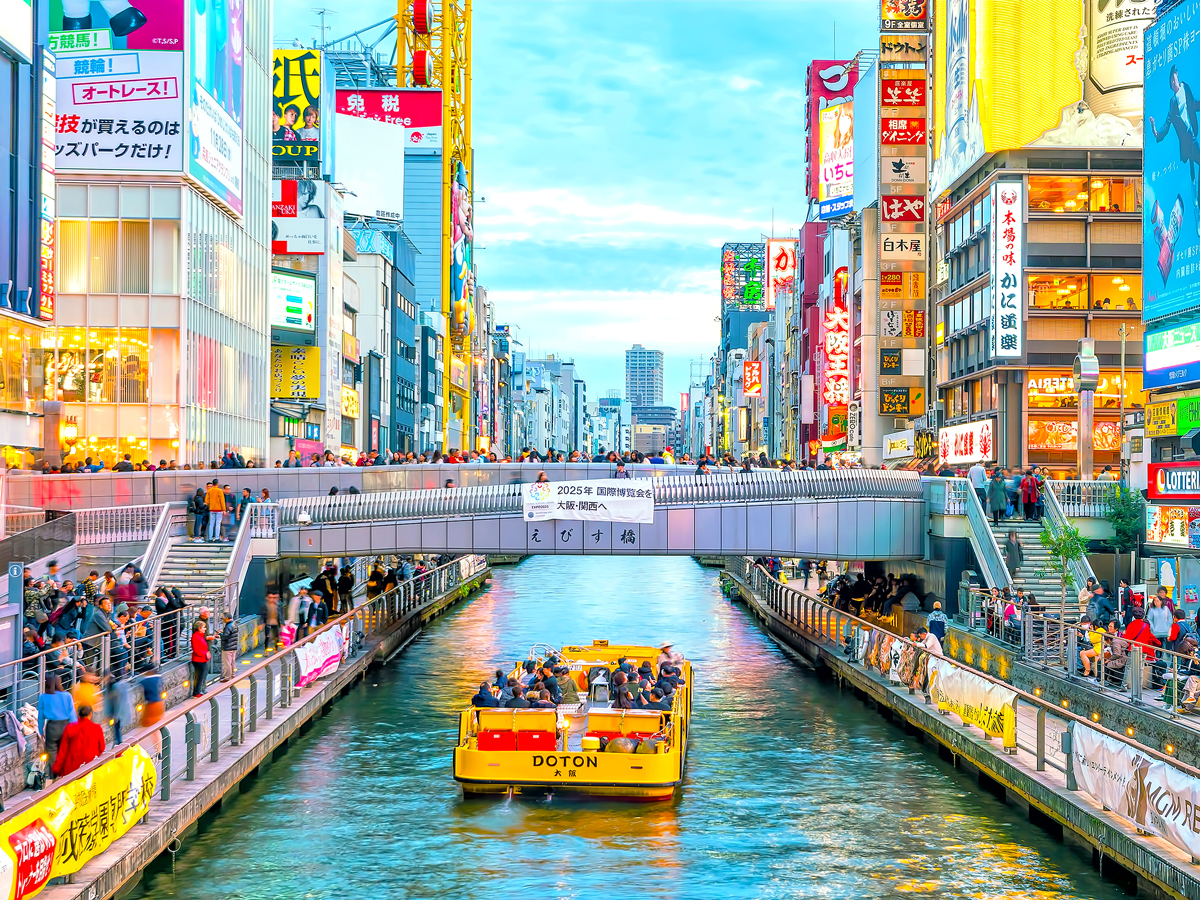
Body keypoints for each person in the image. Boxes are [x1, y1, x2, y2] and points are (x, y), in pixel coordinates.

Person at [52, 704, 105, 778]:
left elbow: (62, 751)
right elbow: (102, 748)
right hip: (91, 766)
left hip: (72, 769)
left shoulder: (69, 728)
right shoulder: (97, 728)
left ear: (78, 714)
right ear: (90, 714)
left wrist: (56, 768)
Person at [38, 674, 76, 767]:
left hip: (52, 727)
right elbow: (72, 713)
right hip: (66, 725)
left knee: (51, 752)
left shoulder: (43, 697)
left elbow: (40, 716)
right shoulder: (67, 695)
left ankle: (54, 774)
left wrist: (40, 730)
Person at [190, 618, 211, 698]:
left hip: (202, 659)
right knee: (198, 676)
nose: (205, 629)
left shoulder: (200, 636)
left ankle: (198, 690)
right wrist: (205, 654)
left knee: (201, 676)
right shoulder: (195, 637)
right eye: (203, 627)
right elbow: (196, 649)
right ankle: (196, 692)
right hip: (198, 660)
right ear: (199, 628)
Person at [220, 612, 239, 680]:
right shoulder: (234, 624)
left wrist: (220, 634)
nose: (222, 620)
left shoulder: (228, 626)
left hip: (228, 647)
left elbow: (225, 637)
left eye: (223, 618)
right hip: (233, 646)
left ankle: (227, 677)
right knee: (232, 662)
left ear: (227, 618)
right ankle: (232, 675)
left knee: (227, 663)